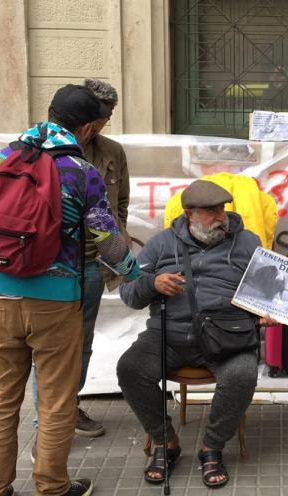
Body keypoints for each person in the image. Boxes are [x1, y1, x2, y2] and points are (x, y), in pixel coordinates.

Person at [0, 85, 140, 496]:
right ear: (86, 128)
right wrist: (137, 272)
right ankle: (52, 486)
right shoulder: (82, 173)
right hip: (55, 299)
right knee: (56, 400)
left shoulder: (3, 158)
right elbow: (109, 241)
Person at [116, 179, 276, 489]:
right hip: (168, 336)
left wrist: (266, 310)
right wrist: (152, 283)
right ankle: (166, 442)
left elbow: (268, 290)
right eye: (211, 211)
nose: (221, 217)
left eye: (223, 210)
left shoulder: (247, 242)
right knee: (130, 368)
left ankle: (212, 446)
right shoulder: (161, 244)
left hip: (226, 336)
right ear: (190, 214)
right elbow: (129, 294)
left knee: (242, 374)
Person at [28, 79, 131, 447]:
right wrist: (134, 270)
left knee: (79, 345)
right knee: (52, 349)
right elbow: (105, 230)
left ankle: (65, 409)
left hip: (86, 268)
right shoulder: (55, 159)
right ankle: (50, 427)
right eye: (101, 116)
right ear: (87, 120)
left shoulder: (14, 152)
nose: (105, 122)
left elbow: (118, 209)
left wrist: (114, 255)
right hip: (49, 268)